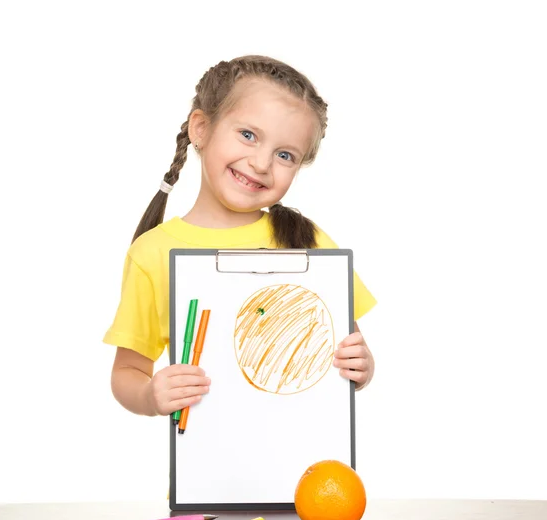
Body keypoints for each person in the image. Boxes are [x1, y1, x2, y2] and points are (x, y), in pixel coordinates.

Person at [103, 55, 377, 418]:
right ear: (200, 128)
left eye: (285, 155)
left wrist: (362, 367)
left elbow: (350, 351)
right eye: (248, 135)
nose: (261, 164)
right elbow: (127, 371)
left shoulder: (308, 242)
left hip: (305, 459)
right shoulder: (152, 252)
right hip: (205, 460)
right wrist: (151, 396)